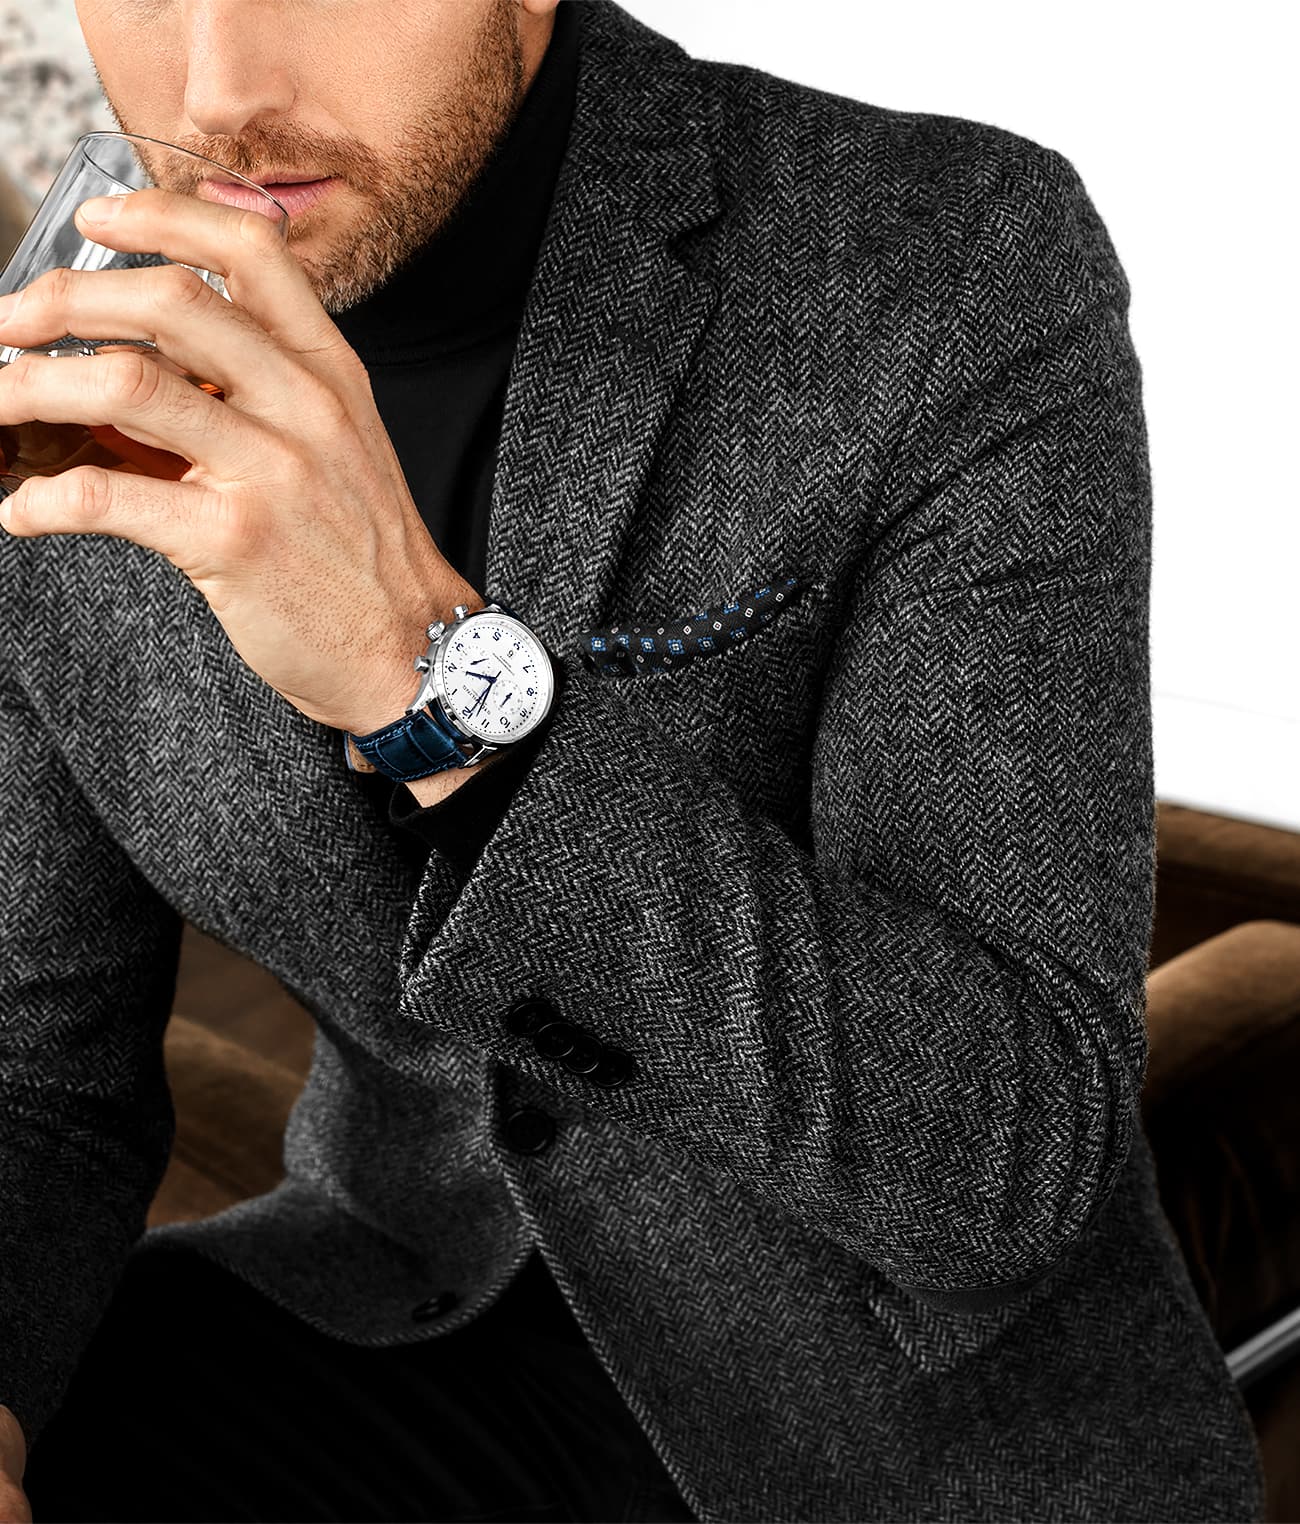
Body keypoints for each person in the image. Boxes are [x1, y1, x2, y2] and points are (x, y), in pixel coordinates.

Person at [0, 0, 1269, 1520]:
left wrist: (427, 679)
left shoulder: (944, 259)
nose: (218, 92)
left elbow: (1004, 1168)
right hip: (398, 1310)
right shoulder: (76, 364)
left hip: (911, 1419)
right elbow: (37, 1075)